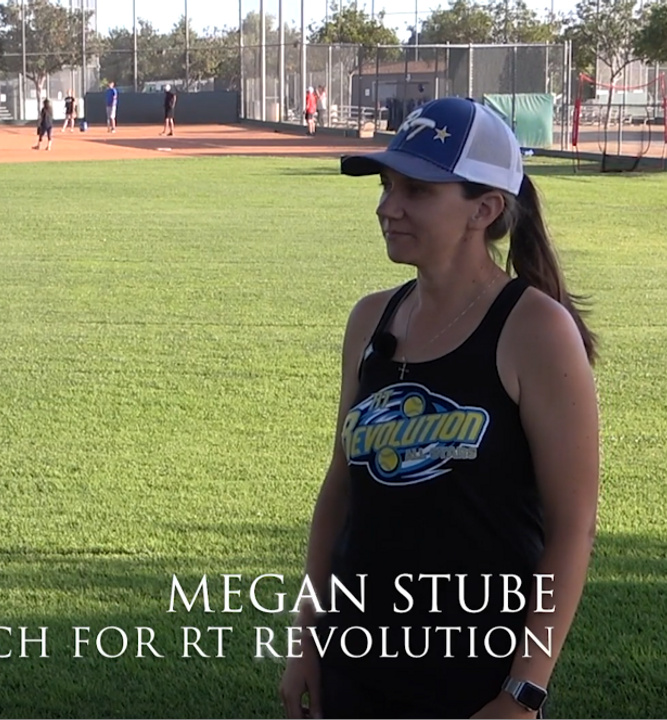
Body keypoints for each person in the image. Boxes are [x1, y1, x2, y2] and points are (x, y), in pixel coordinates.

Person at [279, 97, 599, 719]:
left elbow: (573, 527)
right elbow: (340, 491)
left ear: (485, 209)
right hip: (354, 664)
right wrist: (305, 637)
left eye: (417, 191)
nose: (387, 207)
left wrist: (523, 692)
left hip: (474, 679)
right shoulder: (371, 319)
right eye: (386, 185)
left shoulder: (534, 330)